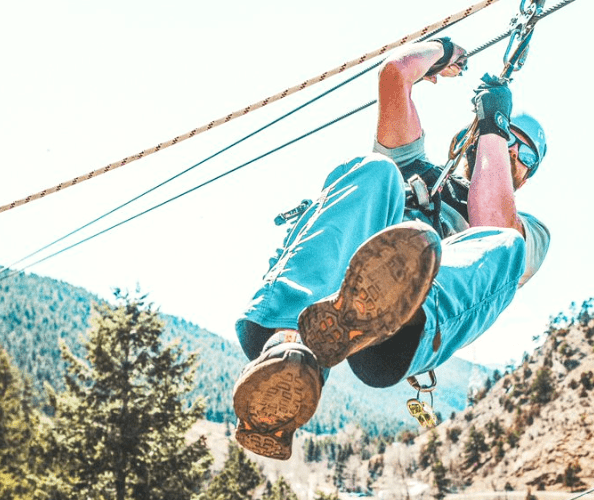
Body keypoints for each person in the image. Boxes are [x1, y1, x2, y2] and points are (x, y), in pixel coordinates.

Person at [232, 37, 551, 460]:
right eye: (509, 136)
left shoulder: (529, 232)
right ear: (467, 139)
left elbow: (492, 223)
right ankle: (288, 349)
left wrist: (494, 126)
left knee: (504, 246)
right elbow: (394, 75)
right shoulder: (413, 170)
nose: (511, 146)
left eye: (523, 150)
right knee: (375, 169)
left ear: (526, 176)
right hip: (332, 287)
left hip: (408, 332)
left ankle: (394, 308)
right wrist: (442, 51)